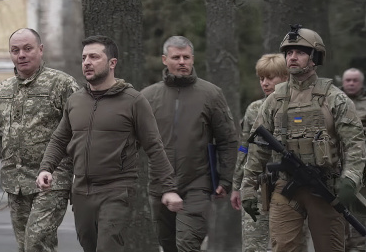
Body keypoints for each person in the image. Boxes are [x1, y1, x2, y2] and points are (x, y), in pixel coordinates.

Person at [36, 35, 183, 252]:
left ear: (112, 63)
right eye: (84, 57)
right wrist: (46, 168)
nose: (87, 62)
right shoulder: (75, 101)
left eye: (94, 57)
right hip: (82, 192)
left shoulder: (133, 101)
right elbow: (59, 139)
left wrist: (169, 188)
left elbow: (154, 146)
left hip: (117, 190)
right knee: (90, 247)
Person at [241, 24, 366, 252]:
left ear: (314, 57)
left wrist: (351, 178)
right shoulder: (273, 101)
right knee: (283, 247)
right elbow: (258, 149)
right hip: (285, 188)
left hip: (325, 188)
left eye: (300, 52)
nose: (292, 58)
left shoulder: (334, 99)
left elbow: (356, 143)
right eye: (288, 53)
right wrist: (248, 188)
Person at [0, 28, 80, 252]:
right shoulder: (0, 91)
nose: (21, 55)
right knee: (27, 247)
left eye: (27, 49)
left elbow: (80, 130)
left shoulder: (62, 85)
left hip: (52, 182)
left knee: (36, 243)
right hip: (16, 184)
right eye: (15, 50)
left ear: (40, 50)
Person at [140, 36, 238, 252]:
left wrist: (225, 178)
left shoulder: (211, 94)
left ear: (193, 59)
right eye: (176, 57)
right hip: (159, 187)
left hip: (197, 185)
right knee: (168, 246)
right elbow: (134, 143)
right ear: (165, 60)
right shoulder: (147, 97)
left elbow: (228, 140)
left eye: (186, 57)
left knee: (187, 246)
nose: (182, 62)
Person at [230, 53, 289, 252]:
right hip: (257, 185)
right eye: (262, 78)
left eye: (270, 77)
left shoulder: (298, 107)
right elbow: (244, 148)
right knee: (253, 246)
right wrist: (237, 185)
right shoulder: (254, 109)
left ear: (286, 76)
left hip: (291, 188)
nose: (265, 83)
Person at [342, 68, 366, 252]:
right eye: (348, 80)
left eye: (354, 80)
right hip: (338, 166)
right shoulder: (336, 103)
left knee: (360, 212)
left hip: (362, 168)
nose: (351, 83)